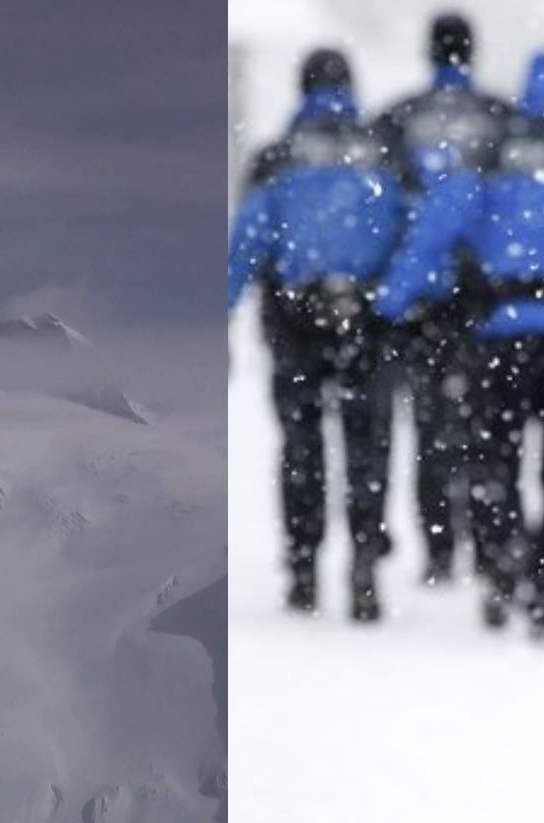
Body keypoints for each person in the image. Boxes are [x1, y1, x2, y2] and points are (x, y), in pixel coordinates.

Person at [379, 46, 544, 639]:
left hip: (503, 335)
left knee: (495, 459)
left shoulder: (493, 150)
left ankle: (501, 565)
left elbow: (437, 226)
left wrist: (390, 300)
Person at [226, 49, 407, 623]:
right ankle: (364, 567)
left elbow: (247, 244)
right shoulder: (386, 151)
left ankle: (303, 568)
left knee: (301, 448)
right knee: (367, 449)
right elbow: (413, 235)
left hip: (295, 322)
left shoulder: (276, 159)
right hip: (366, 322)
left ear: (301, 89)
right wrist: (391, 297)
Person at [374, 13, 511, 586]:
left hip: (420, 301)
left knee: (429, 428)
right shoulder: (502, 119)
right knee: (484, 426)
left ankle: (438, 550)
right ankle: (487, 544)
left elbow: (380, 209)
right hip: (486, 300)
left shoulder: (399, 119)